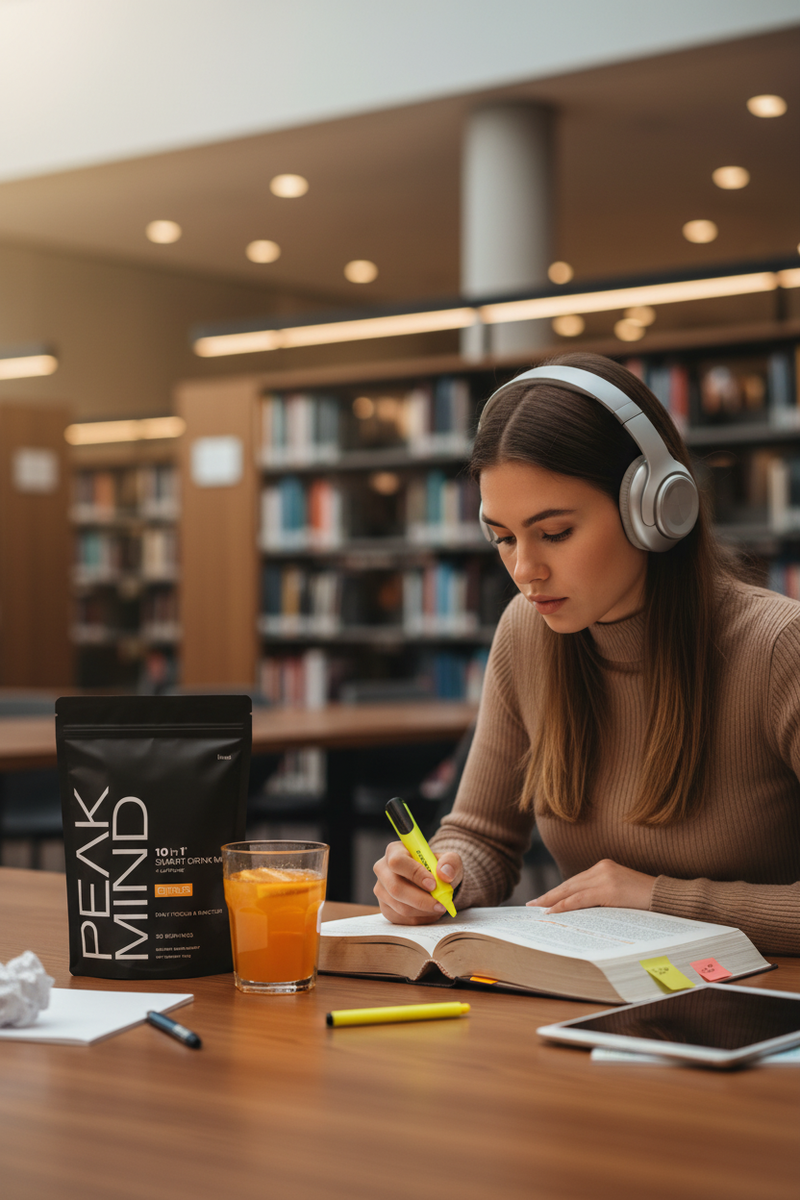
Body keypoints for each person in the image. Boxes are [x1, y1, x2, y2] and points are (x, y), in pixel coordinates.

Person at [373, 350, 800, 954]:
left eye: (555, 533)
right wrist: (439, 876)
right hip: (608, 994)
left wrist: (658, 899)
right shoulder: (527, 631)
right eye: (502, 537)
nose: (525, 569)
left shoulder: (779, 647)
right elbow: (483, 836)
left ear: (655, 508)